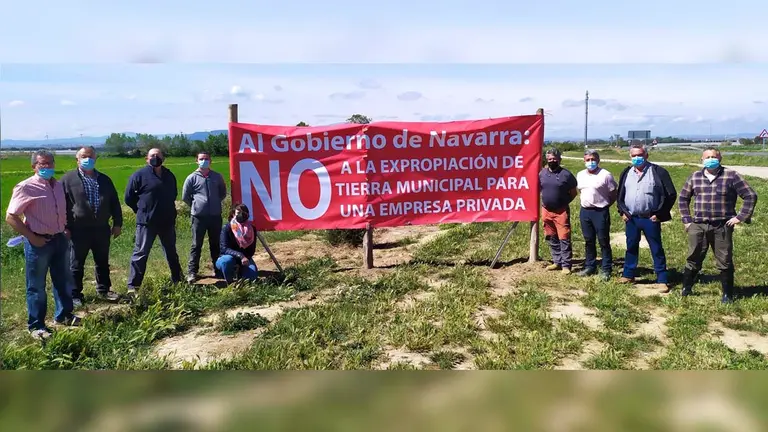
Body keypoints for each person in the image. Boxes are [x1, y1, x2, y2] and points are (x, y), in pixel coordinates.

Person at [5, 150, 81, 340]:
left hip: (59, 239)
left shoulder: (57, 186)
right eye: (42, 164)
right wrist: (31, 237)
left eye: (49, 163)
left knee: (62, 280)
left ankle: (64, 315)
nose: (46, 167)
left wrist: (63, 229)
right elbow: (11, 217)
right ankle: (36, 325)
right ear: (34, 167)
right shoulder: (26, 187)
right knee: (37, 286)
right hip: (38, 242)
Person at [678, 148, 757, 303]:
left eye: (714, 157)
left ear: (720, 158)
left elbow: (750, 195)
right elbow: (683, 199)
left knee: (724, 259)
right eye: (707, 157)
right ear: (702, 159)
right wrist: (687, 220)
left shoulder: (731, 176)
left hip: (722, 226)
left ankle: (727, 294)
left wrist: (740, 217)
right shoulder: (695, 177)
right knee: (693, 257)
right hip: (698, 225)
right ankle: (686, 289)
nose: (711, 159)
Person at [61, 146, 123, 305]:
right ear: (77, 159)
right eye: (83, 156)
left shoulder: (104, 179)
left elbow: (114, 202)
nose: (87, 159)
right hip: (78, 229)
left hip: (101, 228)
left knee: (102, 261)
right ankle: (75, 294)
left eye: (91, 156)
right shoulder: (68, 179)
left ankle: (104, 289)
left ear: (95, 159)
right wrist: (65, 226)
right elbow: (61, 205)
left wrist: (117, 223)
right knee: (76, 263)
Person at [615, 144, 677, 291]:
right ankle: (628, 275)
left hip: (650, 218)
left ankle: (662, 279)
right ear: (630, 156)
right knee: (631, 247)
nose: (637, 158)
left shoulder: (658, 171)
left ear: (646, 155)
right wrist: (622, 211)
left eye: (640, 155)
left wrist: (660, 214)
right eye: (634, 155)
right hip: (631, 218)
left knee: (656, 248)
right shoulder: (626, 172)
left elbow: (671, 194)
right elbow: (620, 195)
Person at [124, 148, 183, 296]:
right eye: (152, 156)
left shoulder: (169, 175)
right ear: (146, 159)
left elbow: (173, 194)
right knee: (141, 253)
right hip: (146, 223)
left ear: (163, 158)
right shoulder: (139, 176)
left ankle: (178, 280)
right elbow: (128, 197)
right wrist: (141, 210)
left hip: (167, 221)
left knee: (171, 252)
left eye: (158, 155)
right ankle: (133, 286)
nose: (155, 158)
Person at [182, 151, 227, 283]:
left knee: (216, 244)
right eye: (201, 159)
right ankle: (192, 272)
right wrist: (196, 205)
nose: (204, 161)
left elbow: (222, 193)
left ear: (210, 161)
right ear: (197, 161)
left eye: (206, 159)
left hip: (215, 216)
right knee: (196, 244)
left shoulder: (217, 177)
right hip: (198, 217)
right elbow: (185, 197)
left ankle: (218, 270)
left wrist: (213, 203)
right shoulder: (191, 178)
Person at [576, 149, 618, 281]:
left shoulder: (606, 175)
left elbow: (613, 193)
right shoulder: (580, 174)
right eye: (588, 160)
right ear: (584, 161)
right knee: (588, 240)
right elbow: (580, 191)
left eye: (593, 159)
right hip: (585, 211)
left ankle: (606, 268)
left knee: (603, 240)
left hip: (600, 211)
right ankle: (590, 266)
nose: (590, 162)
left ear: (598, 161)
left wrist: (605, 205)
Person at [539, 148, 578, 274]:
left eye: (555, 159)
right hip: (546, 210)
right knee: (551, 237)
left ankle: (566, 265)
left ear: (559, 159)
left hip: (561, 211)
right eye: (550, 159)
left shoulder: (566, 175)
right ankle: (557, 261)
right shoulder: (542, 173)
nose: (552, 161)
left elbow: (573, 193)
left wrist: (563, 203)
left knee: (564, 238)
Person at [216, 203, 259, 284]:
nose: (241, 215)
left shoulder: (252, 229)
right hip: (228, 257)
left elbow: (251, 251)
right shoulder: (227, 228)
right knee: (227, 261)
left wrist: (243, 262)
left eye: (244, 213)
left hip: (245, 259)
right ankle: (230, 282)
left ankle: (241, 273)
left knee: (252, 277)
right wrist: (240, 256)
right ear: (233, 214)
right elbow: (224, 249)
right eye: (238, 213)